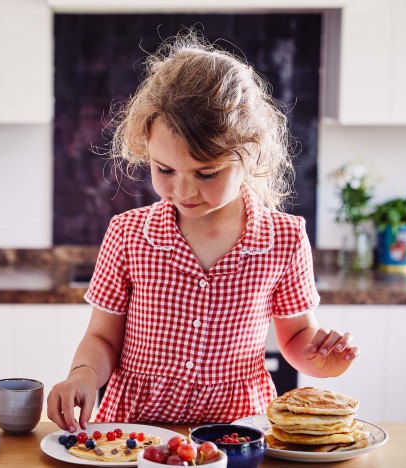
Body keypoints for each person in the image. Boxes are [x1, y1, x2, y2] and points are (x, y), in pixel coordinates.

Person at [47, 34, 359, 431]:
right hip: (136, 429)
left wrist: (320, 361)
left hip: (239, 429)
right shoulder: (127, 234)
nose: (183, 190)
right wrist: (83, 375)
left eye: (206, 173)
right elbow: (102, 339)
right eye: (165, 170)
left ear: (250, 154)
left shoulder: (285, 238)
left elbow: (296, 336)